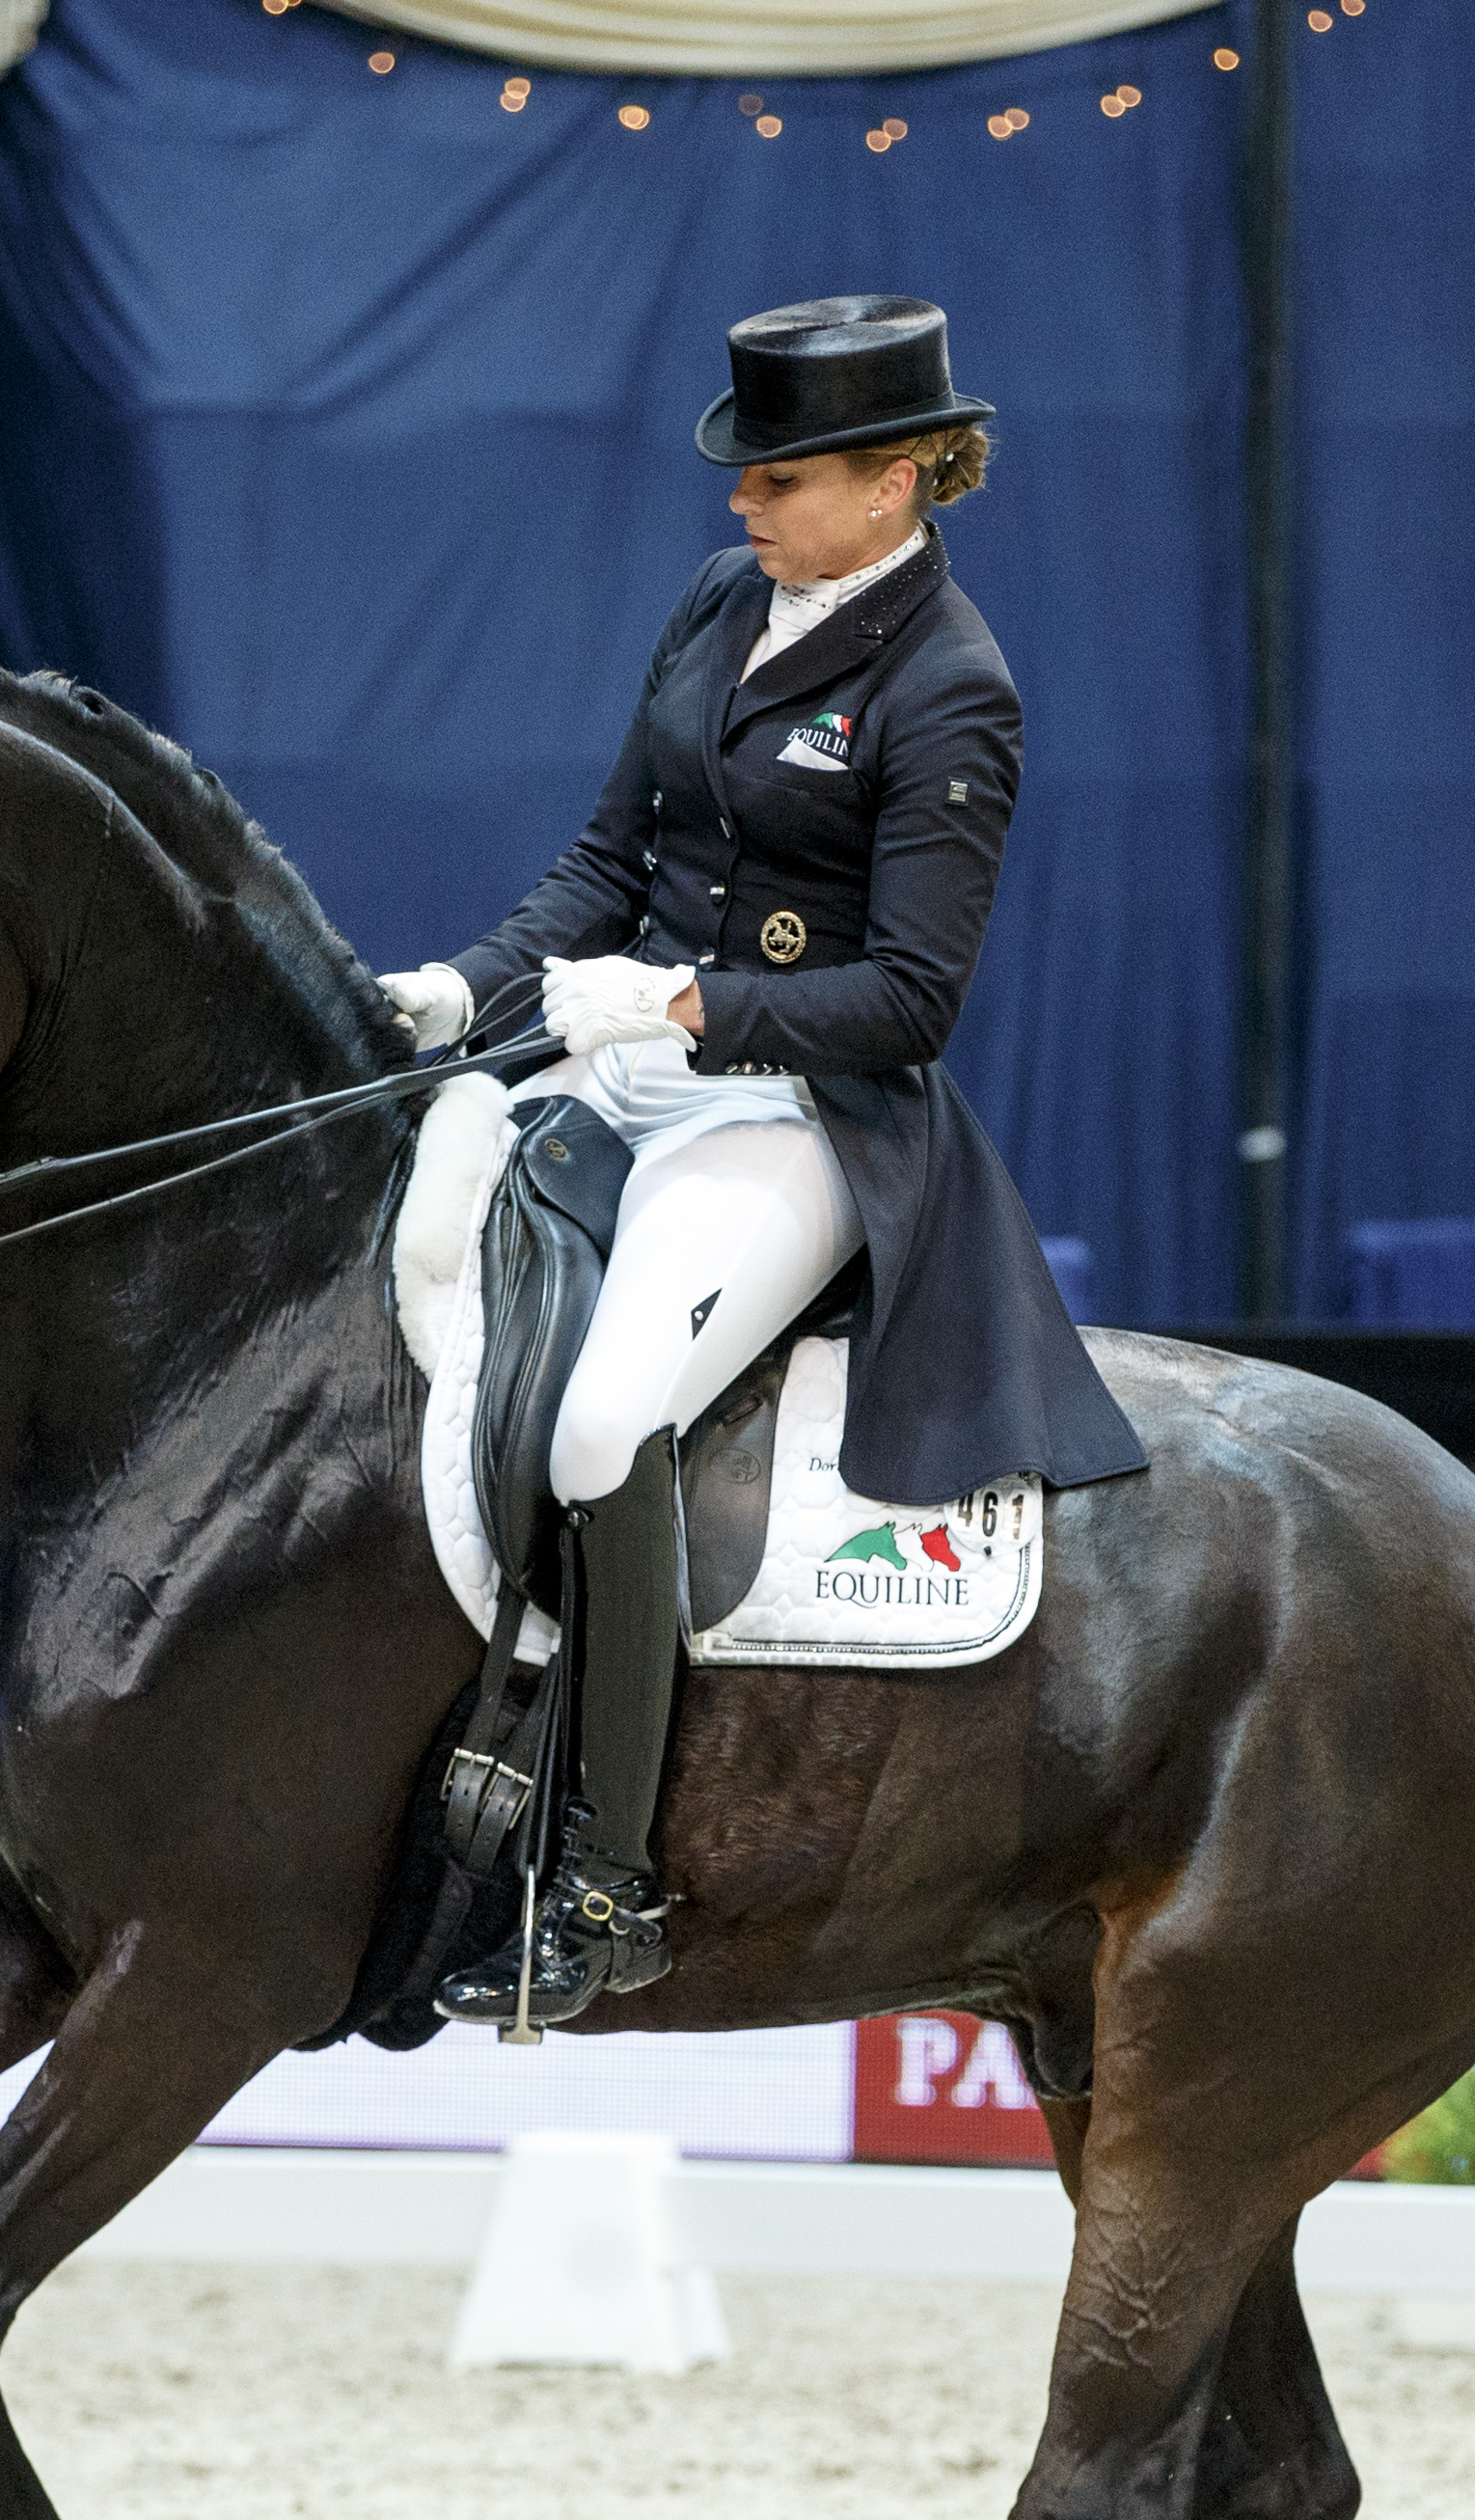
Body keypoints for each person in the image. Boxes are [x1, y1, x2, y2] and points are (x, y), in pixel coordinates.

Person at [383, 293, 1146, 2029]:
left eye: (785, 477)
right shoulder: (727, 599)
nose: (745, 502)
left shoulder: (952, 690)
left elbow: (907, 1002)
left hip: (793, 1119)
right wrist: (465, 982)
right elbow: (605, 853)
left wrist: (677, 999)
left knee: (602, 1420)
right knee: (402, 1294)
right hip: (618, 1058)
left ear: (895, 486)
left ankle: (602, 1869)